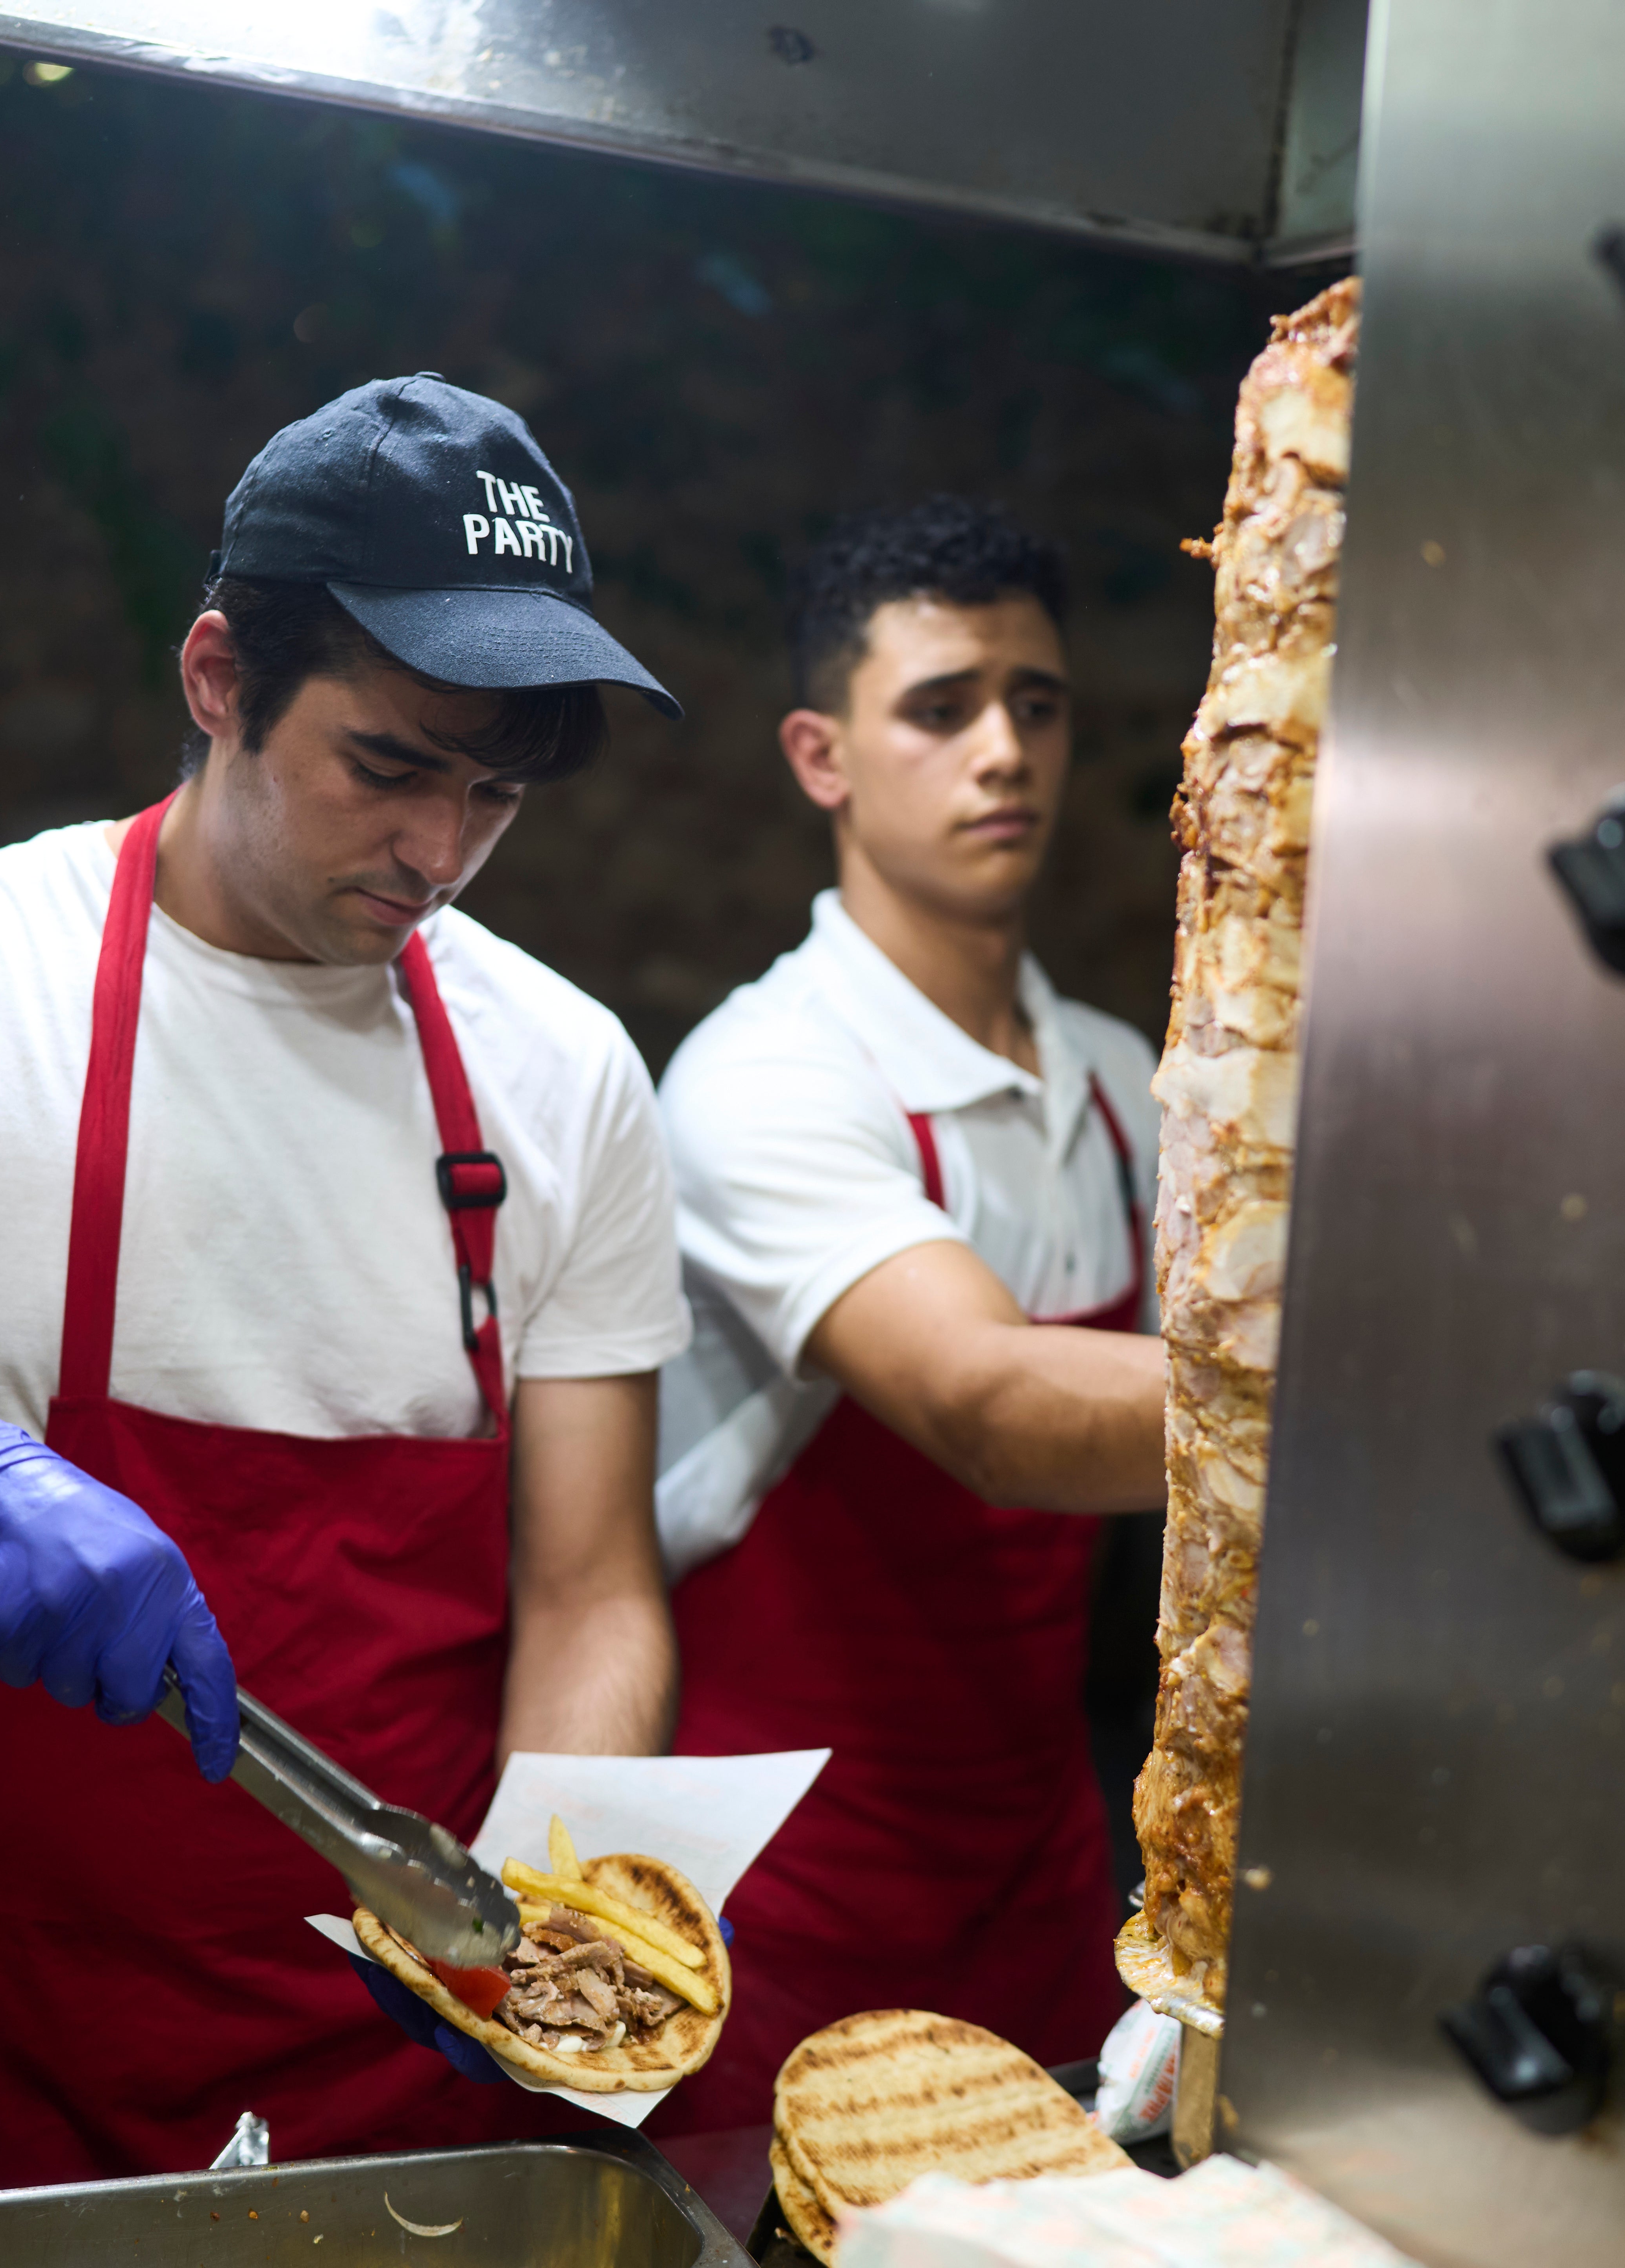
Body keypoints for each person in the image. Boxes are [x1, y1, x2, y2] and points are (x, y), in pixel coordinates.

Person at [0, 376, 692, 2197]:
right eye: (389, 768)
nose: (441, 857)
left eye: (494, 794)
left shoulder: (568, 1070)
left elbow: (593, 1586)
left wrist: (543, 1925)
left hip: (407, 2094)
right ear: (220, 679)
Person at [650, 498, 1164, 2129]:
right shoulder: (773, 1076)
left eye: (1037, 703)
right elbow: (993, 1414)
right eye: (940, 709)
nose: (1001, 749)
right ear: (824, 756)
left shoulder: (1131, 1087)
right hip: (783, 1908)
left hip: (1047, 1879)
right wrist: (1396, 1396)